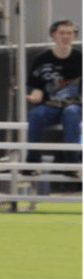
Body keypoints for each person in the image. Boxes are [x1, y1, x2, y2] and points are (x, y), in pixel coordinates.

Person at [26, 18, 80, 183]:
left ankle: (72, 165)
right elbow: (37, 89)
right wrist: (35, 96)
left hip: (74, 105)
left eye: (69, 33)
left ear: (74, 36)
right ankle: (33, 163)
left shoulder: (80, 58)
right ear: (54, 35)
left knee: (71, 112)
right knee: (35, 114)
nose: (66, 36)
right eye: (62, 33)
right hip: (50, 106)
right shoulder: (42, 59)